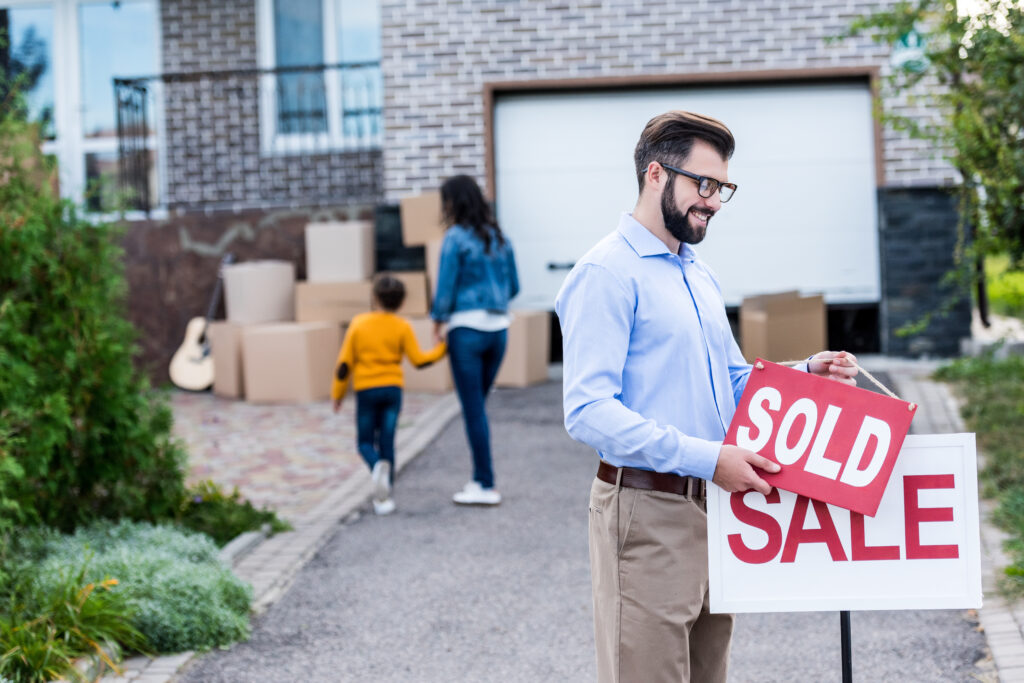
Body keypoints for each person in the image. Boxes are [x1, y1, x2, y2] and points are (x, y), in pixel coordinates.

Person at [554, 110, 859, 682]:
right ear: (655, 174)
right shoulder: (606, 273)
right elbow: (588, 412)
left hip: (714, 509)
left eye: (722, 188)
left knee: (708, 673)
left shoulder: (698, 274)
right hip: (646, 511)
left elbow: (732, 379)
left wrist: (806, 372)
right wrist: (709, 457)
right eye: (704, 184)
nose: (714, 201)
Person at [430, 175, 520, 506]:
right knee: (477, 408)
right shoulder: (499, 236)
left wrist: (438, 321)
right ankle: (481, 480)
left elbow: (445, 287)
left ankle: (484, 484)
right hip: (498, 331)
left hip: (465, 331)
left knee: (473, 411)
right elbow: (514, 287)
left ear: (452, 202)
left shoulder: (454, 238)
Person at [332, 273, 446, 515]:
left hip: (366, 390)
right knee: (387, 442)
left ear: (374, 298)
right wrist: (443, 348)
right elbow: (419, 361)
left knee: (365, 442)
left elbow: (344, 365)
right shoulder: (402, 326)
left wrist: (338, 395)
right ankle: (385, 498)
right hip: (393, 390)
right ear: (401, 302)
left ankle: (376, 469)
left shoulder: (359, 324)